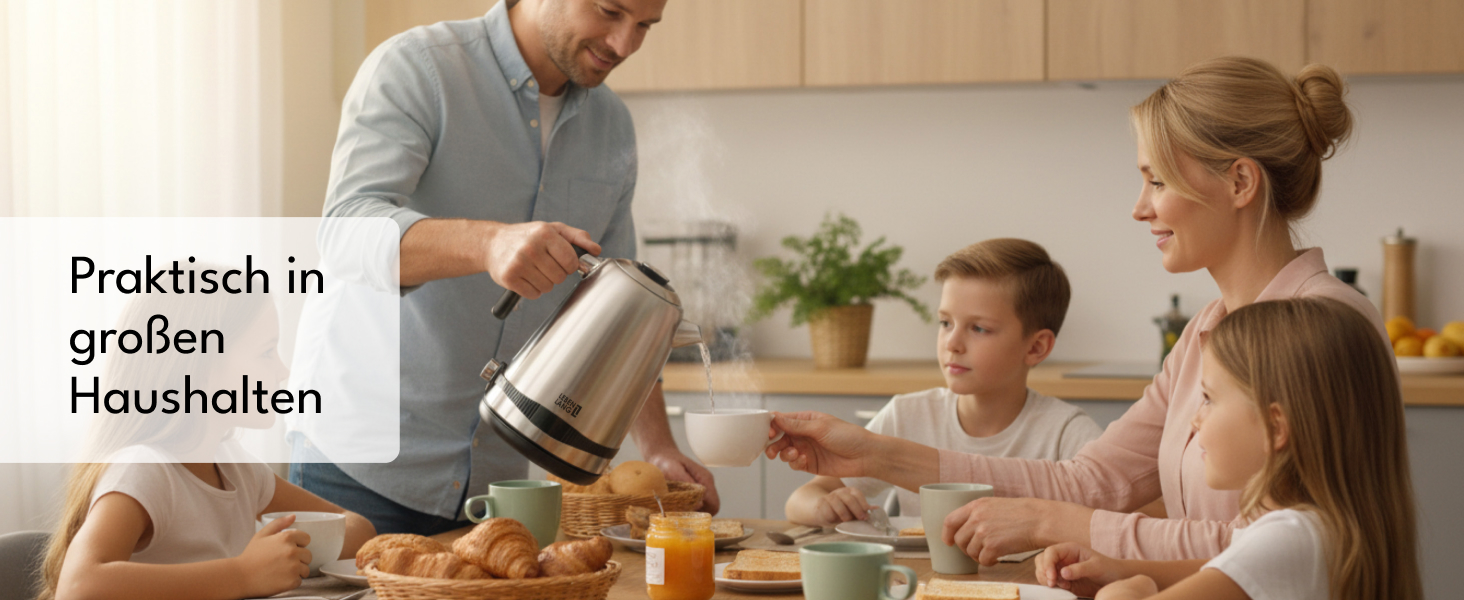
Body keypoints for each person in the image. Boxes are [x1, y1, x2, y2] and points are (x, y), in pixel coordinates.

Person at [764, 56, 1384, 562]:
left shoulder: (1328, 323)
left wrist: (1054, 524)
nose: (1140, 208)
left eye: (1158, 180)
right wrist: (873, 455)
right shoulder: (1205, 332)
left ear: (1241, 183)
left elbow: (1287, 551)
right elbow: (1088, 483)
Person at [289, 0, 720, 536]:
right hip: (357, 464)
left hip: (497, 482)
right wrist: (487, 244)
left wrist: (657, 446)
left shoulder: (611, 126)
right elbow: (347, 230)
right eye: (610, 11)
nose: (624, 44)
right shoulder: (420, 68)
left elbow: (622, 314)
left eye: (645, 27)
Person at [1035, 298, 1421, 600]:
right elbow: (1223, 568)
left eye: (1208, 399)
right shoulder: (1318, 527)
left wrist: (1131, 589)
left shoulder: (1290, 538)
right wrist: (1119, 568)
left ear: (1276, 426)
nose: (1195, 420)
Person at [40, 290, 376, 600]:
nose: (282, 370)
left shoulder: (236, 468)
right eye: (265, 352)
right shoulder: (146, 469)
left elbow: (358, 529)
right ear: (198, 369)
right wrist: (244, 574)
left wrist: (291, 547)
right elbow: (78, 587)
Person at [784, 239, 1103, 527]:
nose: (952, 343)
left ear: (1035, 348)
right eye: (946, 322)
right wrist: (825, 506)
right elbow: (802, 499)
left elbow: (1116, 519)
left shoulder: (1065, 432)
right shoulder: (906, 414)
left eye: (978, 328)